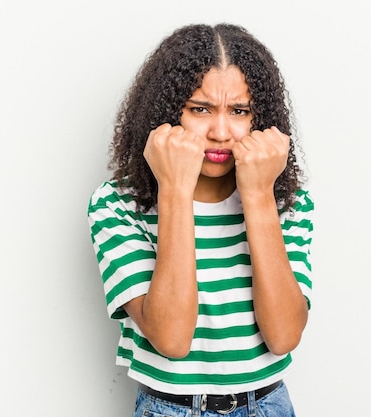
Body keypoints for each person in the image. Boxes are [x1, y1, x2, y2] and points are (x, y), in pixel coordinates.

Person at [87, 23, 314, 417]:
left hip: (268, 405)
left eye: (239, 111)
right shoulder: (116, 205)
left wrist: (259, 196)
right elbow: (172, 339)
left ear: (259, 120)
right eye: (200, 109)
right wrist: (174, 190)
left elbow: (283, 336)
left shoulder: (287, 202)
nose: (221, 132)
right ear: (166, 112)